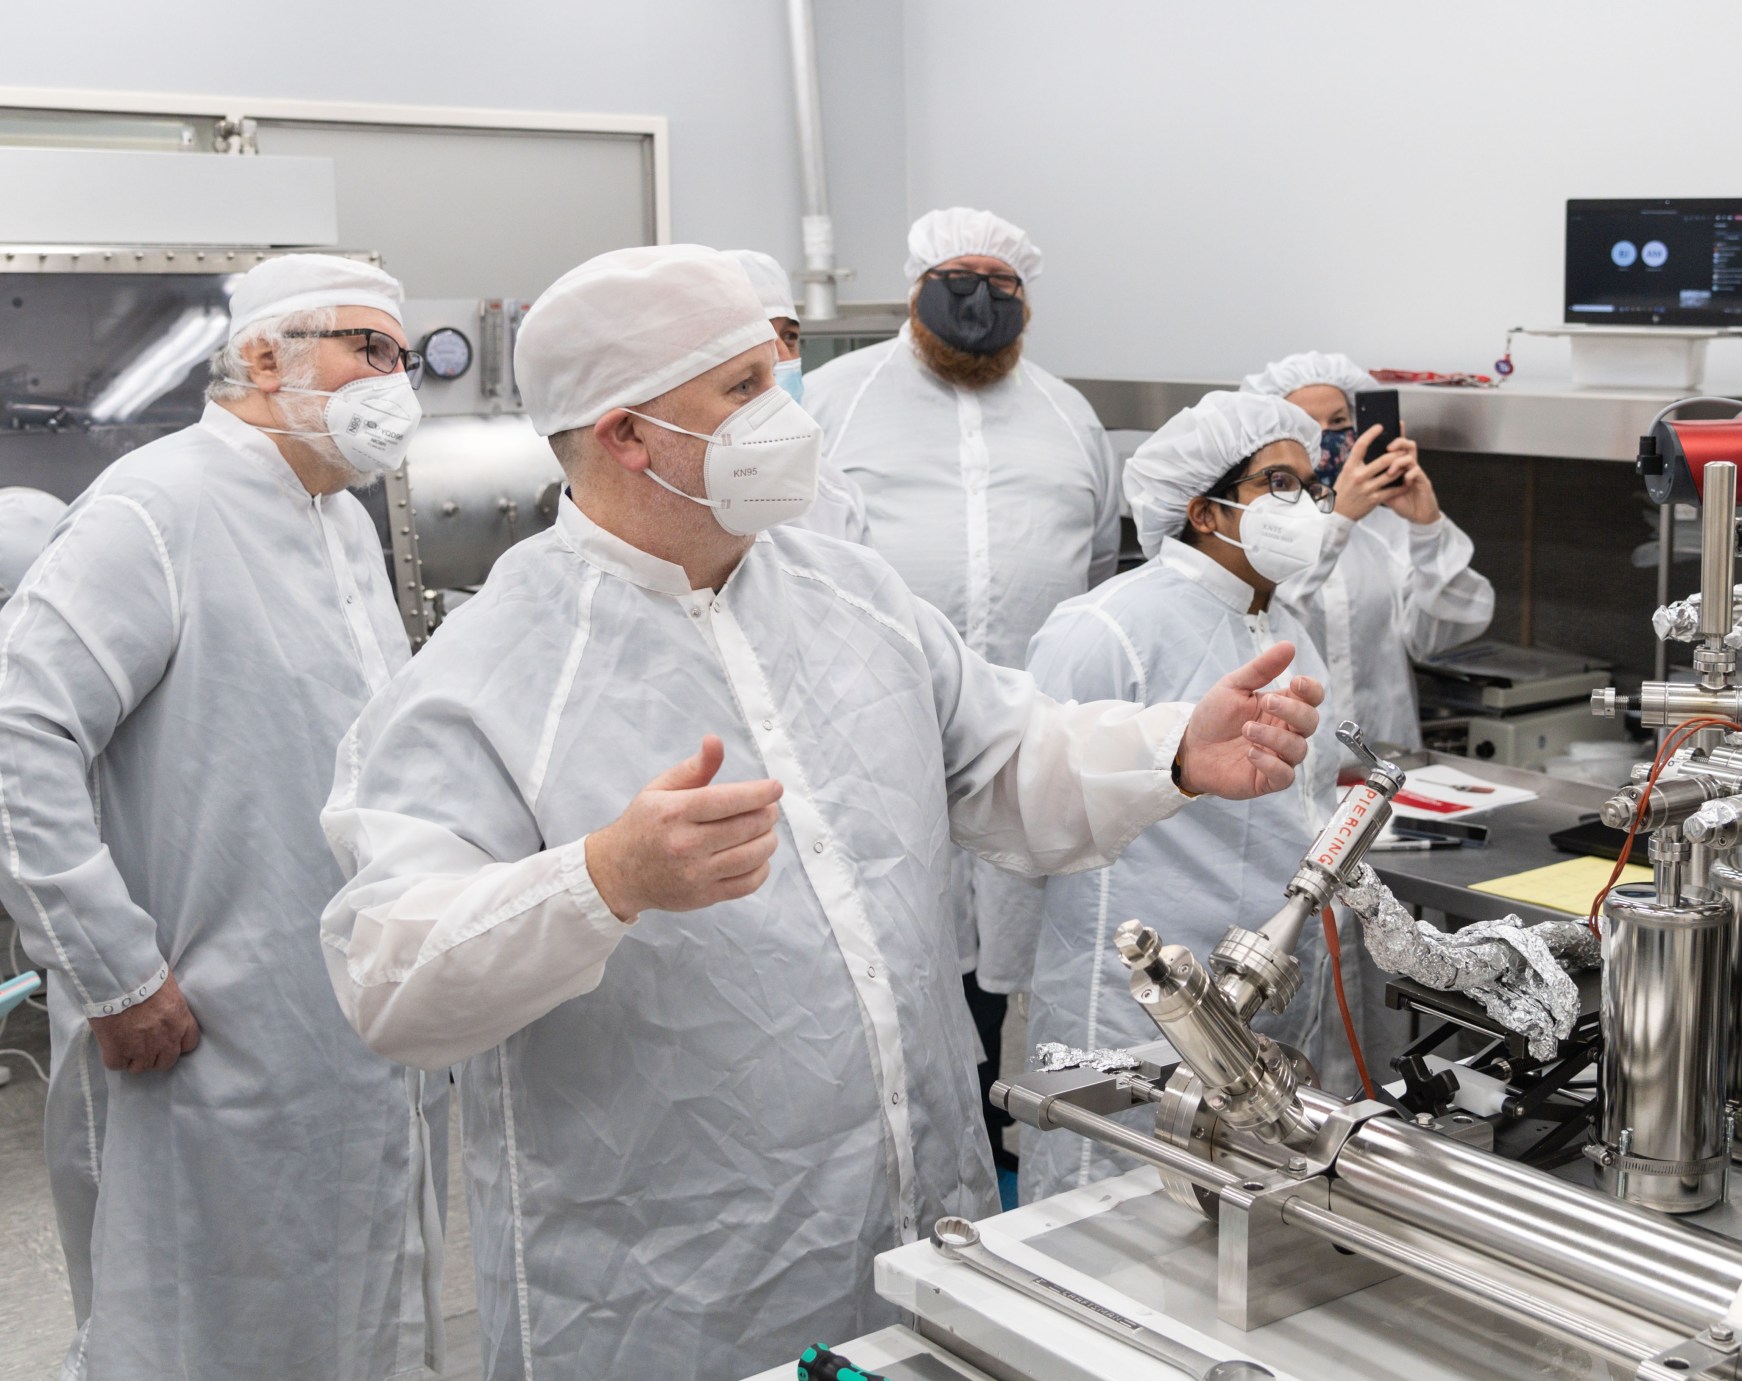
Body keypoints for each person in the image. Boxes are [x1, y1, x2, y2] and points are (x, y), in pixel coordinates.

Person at [318, 244, 1324, 1381]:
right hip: (672, 1282)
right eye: (742, 389)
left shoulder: (848, 590)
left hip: (913, 1230)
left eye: (776, 375)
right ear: (625, 434)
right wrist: (599, 879)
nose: (786, 411)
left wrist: (1171, 750)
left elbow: (1007, 758)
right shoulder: (488, 676)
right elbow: (388, 978)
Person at [0, 254, 441, 1380]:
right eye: (369, 349)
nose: (397, 380)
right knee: (197, 1319)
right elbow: (19, 734)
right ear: (262, 356)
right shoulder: (159, 505)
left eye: (401, 353)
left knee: (338, 1305)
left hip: (339, 1024)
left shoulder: (336, 524)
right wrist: (114, 973)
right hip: (198, 1033)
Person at [803, 207, 1124, 1161]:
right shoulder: (832, 402)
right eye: (958, 276)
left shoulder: (1070, 418)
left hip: (1023, 736)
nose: (980, 300)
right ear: (914, 287)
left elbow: (1100, 562)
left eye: (1003, 283)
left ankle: (983, 1140)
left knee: (1003, 954)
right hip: (869, 733)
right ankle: (884, 1146)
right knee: (884, 946)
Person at [1017, 391, 1348, 1201]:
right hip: (1130, 1000)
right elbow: (1027, 812)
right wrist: (1018, 975)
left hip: (1261, 998)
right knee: (1104, 1221)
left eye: (1309, 487)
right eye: (1277, 482)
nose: (1301, 506)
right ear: (1204, 507)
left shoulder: (1286, 630)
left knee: (1226, 1228)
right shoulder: (1106, 628)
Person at [1241, 351, 1495, 750]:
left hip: (1384, 768)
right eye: (1305, 424)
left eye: (1339, 422)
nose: (1325, 436)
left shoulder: (1383, 530)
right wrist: (1337, 520)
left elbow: (1441, 632)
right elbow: (1265, 623)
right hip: (1286, 772)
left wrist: (1427, 528)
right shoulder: (1251, 529)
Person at [725, 248, 869, 543]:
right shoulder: (675, 486)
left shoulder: (833, 496)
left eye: (789, 337)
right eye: (760, 334)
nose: (781, 355)